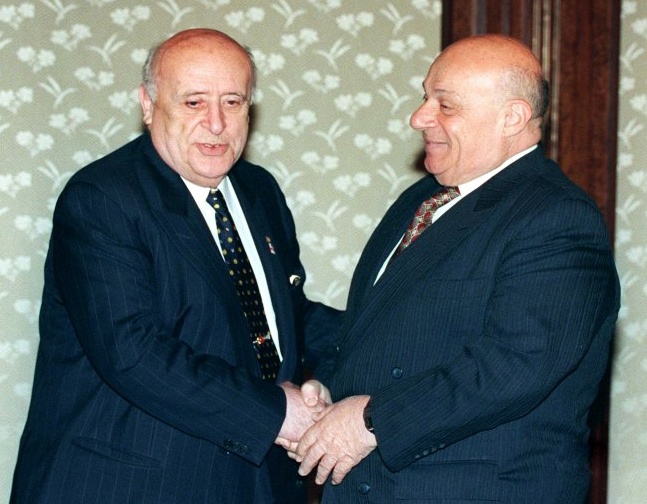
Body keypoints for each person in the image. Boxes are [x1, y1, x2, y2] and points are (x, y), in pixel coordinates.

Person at [11, 28, 339, 504]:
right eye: (193, 102)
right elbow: (133, 352)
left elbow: (282, 315)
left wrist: (379, 346)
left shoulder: (259, 190)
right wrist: (278, 412)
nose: (216, 123)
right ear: (147, 105)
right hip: (126, 484)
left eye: (232, 102)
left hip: (251, 483)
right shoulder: (104, 199)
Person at [289, 34, 621, 503]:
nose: (418, 117)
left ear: (512, 118)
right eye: (425, 97)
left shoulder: (555, 216)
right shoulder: (422, 199)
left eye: (444, 105)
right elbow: (388, 334)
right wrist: (328, 383)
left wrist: (371, 421)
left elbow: (516, 365)